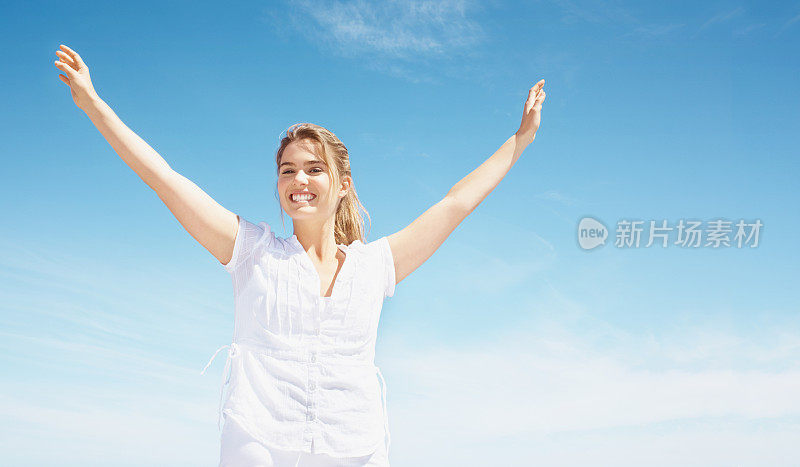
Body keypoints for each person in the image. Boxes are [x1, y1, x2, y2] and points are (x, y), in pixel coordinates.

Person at [54, 43, 546, 467]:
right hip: (260, 442)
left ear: (342, 186)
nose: (299, 181)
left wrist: (521, 140)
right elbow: (165, 179)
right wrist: (94, 106)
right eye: (287, 171)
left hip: (355, 445)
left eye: (313, 169)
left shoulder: (374, 267)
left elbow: (454, 204)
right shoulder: (250, 252)